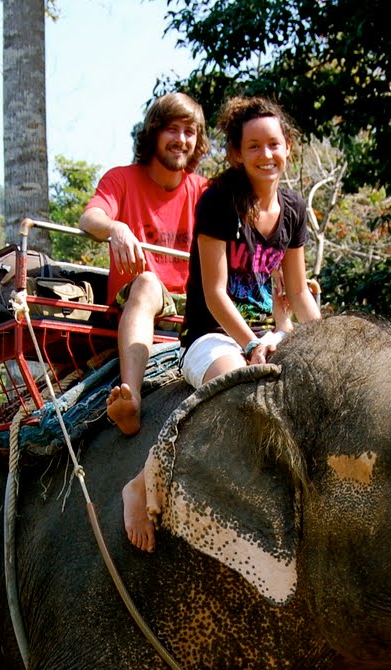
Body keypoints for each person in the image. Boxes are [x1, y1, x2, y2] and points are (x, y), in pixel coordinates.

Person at [122, 96, 322, 552]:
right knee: (236, 388)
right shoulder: (218, 202)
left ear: (288, 146)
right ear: (236, 153)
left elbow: (299, 291)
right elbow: (214, 293)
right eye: (254, 147)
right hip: (213, 335)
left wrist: (325, 338)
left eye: (274, 144)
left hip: (268, 333)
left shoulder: (291, 209)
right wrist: (252, 344)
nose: (266, 155)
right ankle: (139, 481)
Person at [78, 92, 210, 435]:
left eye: (190, 131)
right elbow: (90, 218)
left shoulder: (204, 191)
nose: (181, 140)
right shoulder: (121, 179)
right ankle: (131, 397)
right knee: (149, 282)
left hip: (196, 303)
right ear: (153, 133)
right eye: (172, 129)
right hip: (145, 299)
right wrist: (116, 227)